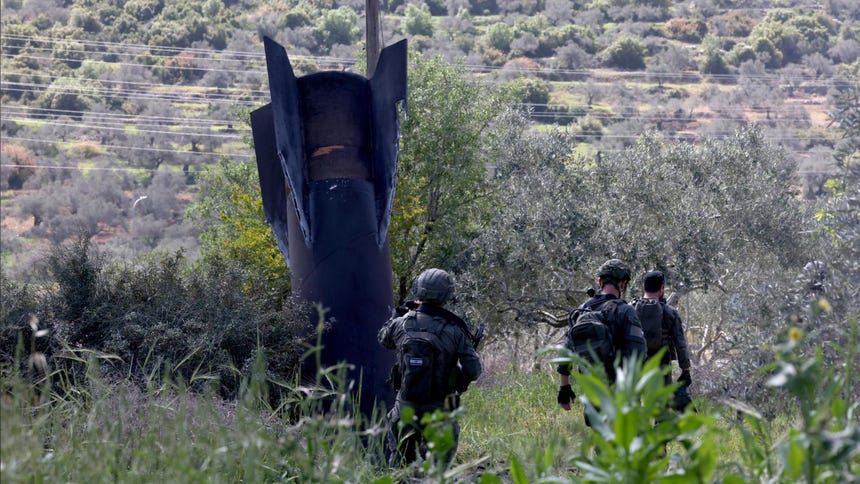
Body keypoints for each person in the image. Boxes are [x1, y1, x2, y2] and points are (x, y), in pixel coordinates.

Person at [378, 268, 482, 468]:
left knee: (399, 468)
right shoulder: (455, 330)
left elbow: (384, 340)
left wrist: (396, 314)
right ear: (446, 295)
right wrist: (459, 382)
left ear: (418, 289)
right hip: (439, 411)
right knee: (439, 471)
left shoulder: (400, 324)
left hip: (404, 409)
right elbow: (474, 370)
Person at [557, 259, 646, 422]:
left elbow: (566, 355)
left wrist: (564, 388)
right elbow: (638, 355)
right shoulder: (626, 311)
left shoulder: (582, 311)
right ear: (623, 284)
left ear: (599, 282)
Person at [633, 271, 693, 412]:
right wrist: (685, 369)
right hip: (661, 366)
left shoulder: (630, 309)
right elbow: (680, 344)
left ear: (644, 287)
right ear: (661, 288)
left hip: (635, 366)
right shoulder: (670, 312)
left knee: (634, 408)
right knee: (661, 409)